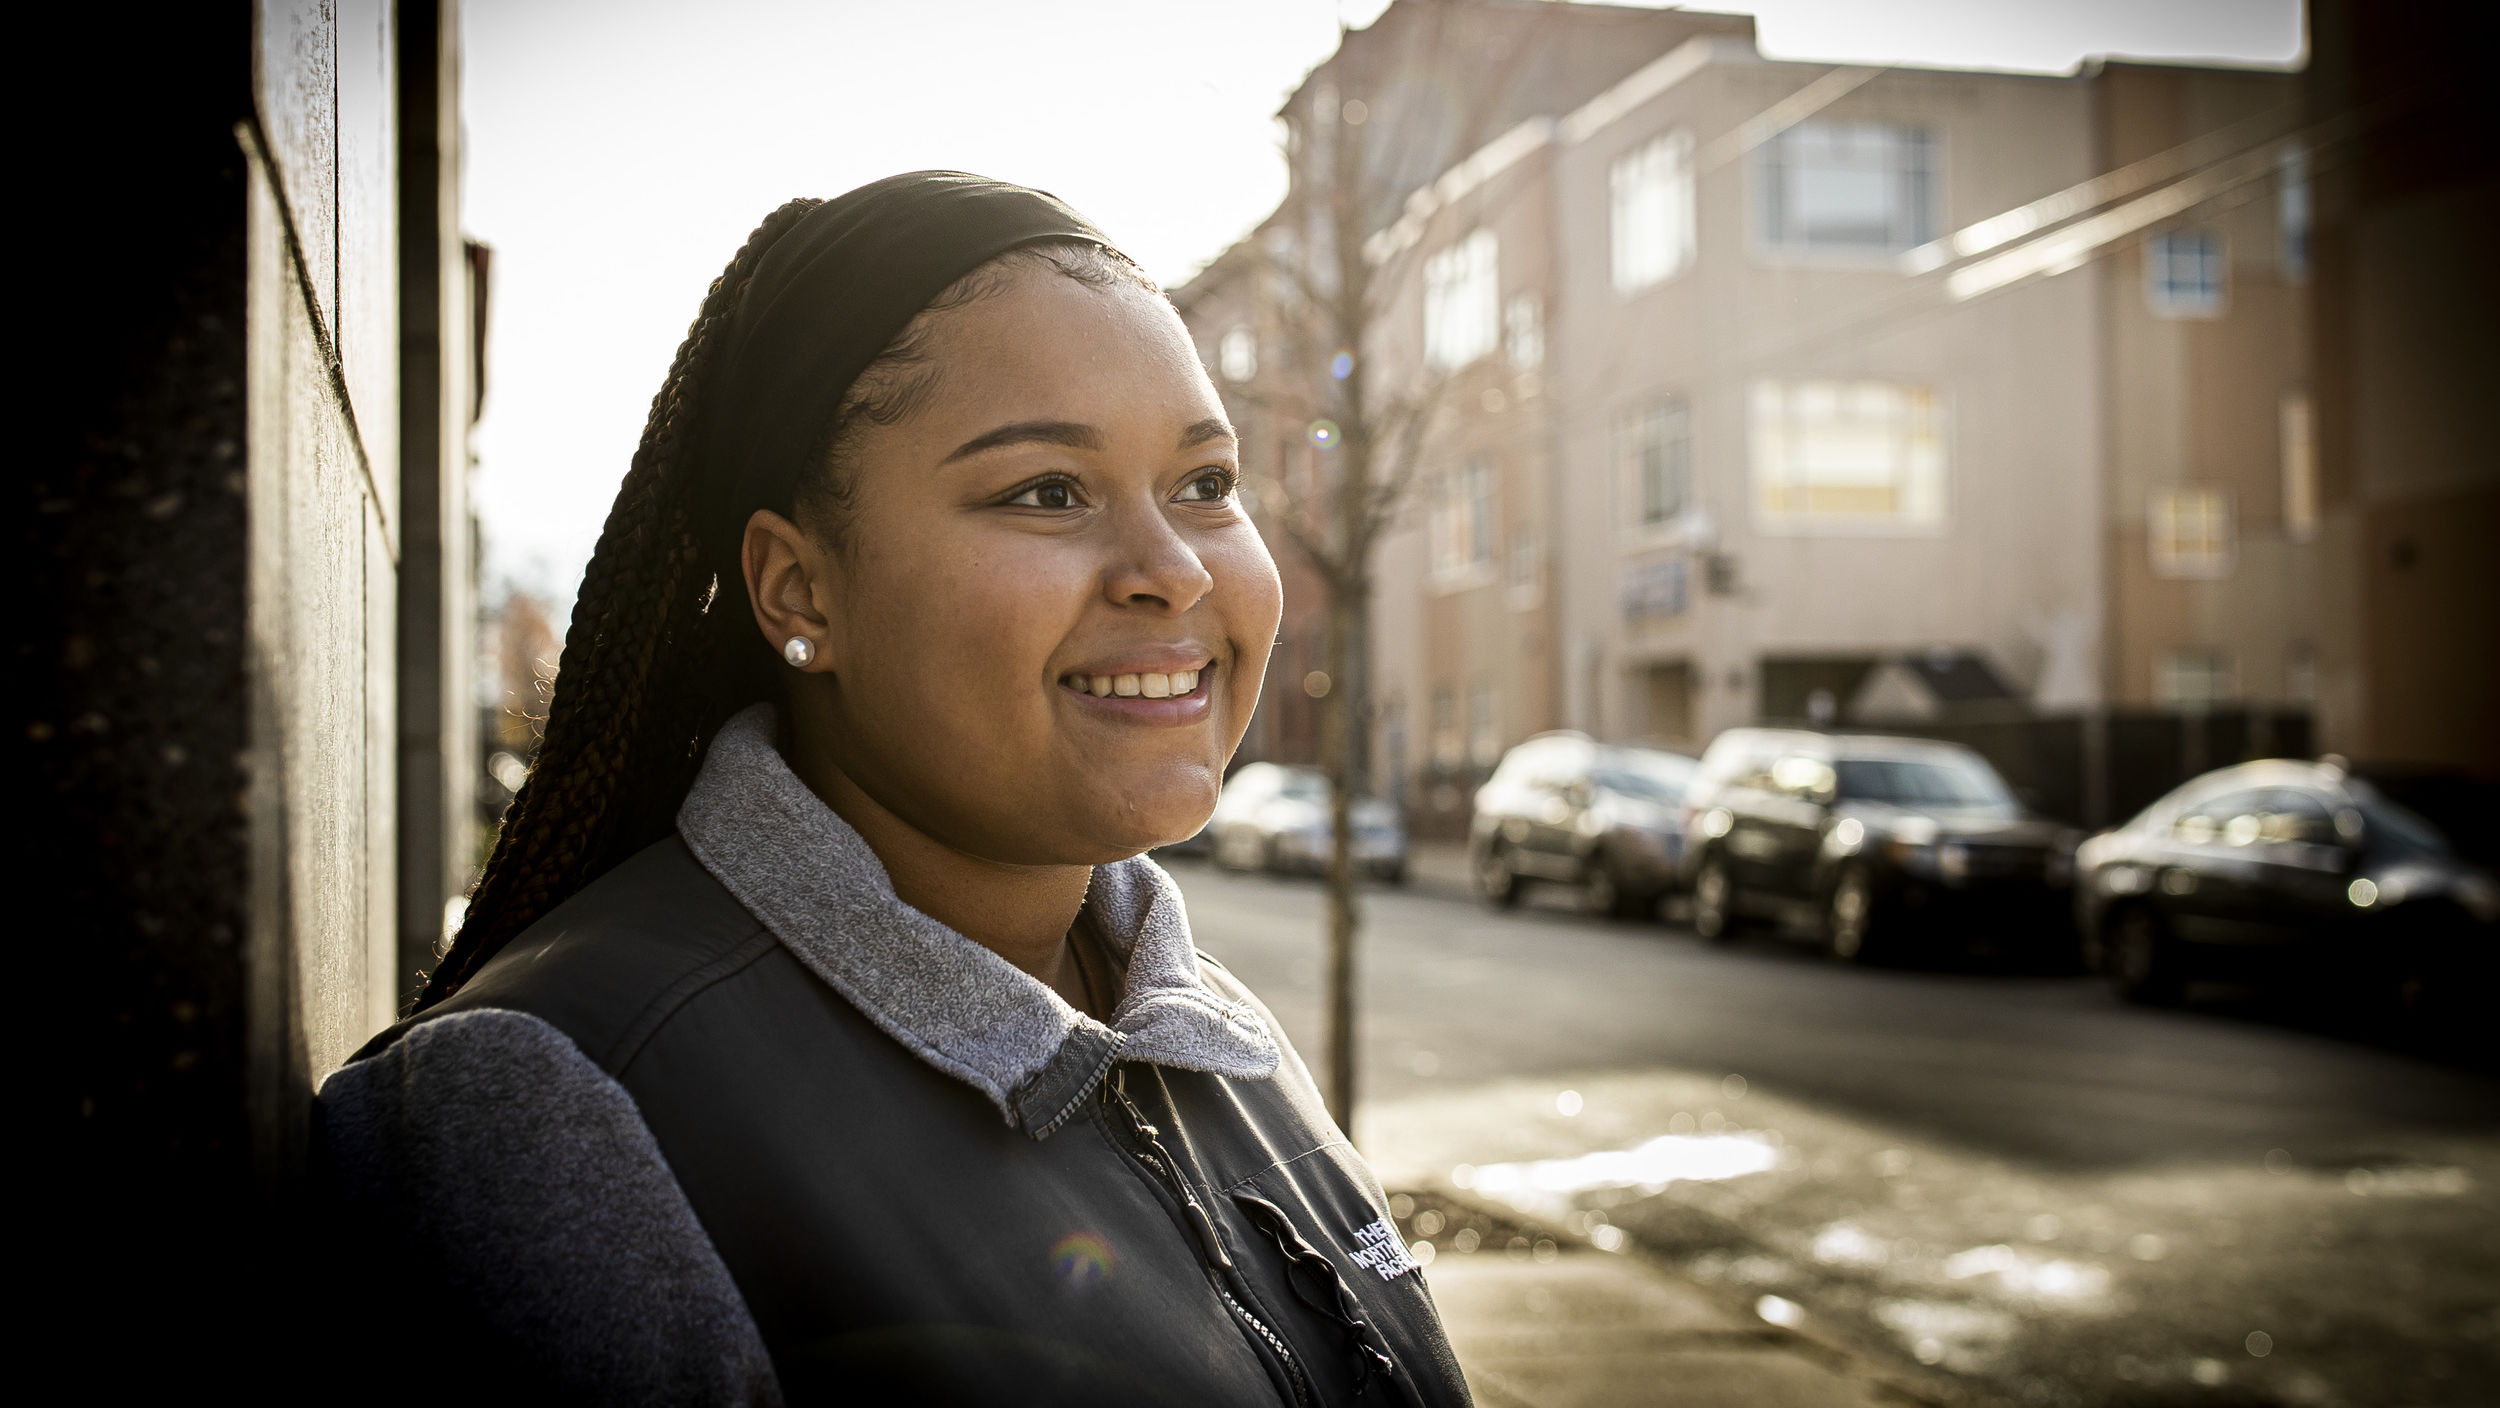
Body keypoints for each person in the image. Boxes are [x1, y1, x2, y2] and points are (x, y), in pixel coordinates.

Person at [317, 172, 1471, 1407]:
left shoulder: (1207, 1031)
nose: (1174, 571)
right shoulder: (548, 1120)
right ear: (801, 591)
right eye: (1047, 492)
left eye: (1204, 483)